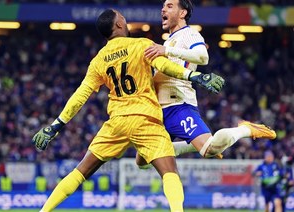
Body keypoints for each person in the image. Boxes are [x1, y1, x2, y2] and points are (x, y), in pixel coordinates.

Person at [31, 9, 224, 212]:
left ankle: (44, 211)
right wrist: (194, 76)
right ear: (119, 25)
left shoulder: (98, 60)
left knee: (81, 171)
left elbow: (81, 95)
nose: (126, 20)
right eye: (123, 18)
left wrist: (55, 126)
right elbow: (165, 66)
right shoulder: (141, 45)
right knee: (169, 172)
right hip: (145, 119)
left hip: (117, 122)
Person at [136, 0, 276, 166]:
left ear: (183, 13)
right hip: (160, 109)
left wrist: (167, 51)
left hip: (178, 105)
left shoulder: (189, 34)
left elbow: (203, 56)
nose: (163, 9)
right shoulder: (169, 41)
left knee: (210, 150)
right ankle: (194, 145)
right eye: (163, 6)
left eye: (169, 6)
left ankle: (245, 129)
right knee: (142, 160)